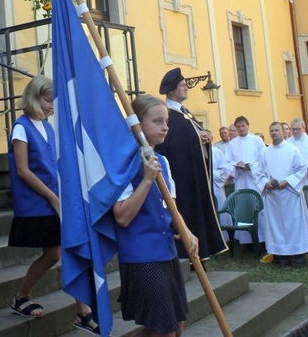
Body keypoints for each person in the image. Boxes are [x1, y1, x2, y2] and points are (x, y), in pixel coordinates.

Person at [5, 76, 98, 332]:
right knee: (56, 252)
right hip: (38, 201)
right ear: (35, 97)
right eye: (48, 100)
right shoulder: (22, 127)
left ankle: (83, 310)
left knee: (66, 249)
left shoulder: (48, 127)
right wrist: (52, 197)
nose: (51, 105)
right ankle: (22, 296)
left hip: (55, 198)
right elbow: (23, 170)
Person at [114, 94, 198, 337]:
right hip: (141, 256)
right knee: (166, 330)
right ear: (138, 125)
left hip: (166, 251)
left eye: (166, 121)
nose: (165, 127)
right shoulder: (124, 164)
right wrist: (147, 179)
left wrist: (187, 231)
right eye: (158, 121)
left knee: (177, 324)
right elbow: (122, 216)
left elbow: (170, 207)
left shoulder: (162, 161)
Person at [154, 68, 226, 261]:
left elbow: (191, 138)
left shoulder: (184, 113)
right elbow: (170, 145)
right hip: (181, 179)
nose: (186, 88)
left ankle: (201, 253)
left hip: (194, 177)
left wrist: (204, 138)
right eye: (182, 85)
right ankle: (188, 255)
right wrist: (196, 138)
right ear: (171, 91)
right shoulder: (169, 115)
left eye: (186, 85)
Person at [260, 122, 308, 268]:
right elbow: (258, 173)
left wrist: (288, 181)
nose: (274, 133)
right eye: (271, 131)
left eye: (276, 130)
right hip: (273, 197)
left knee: (294, 224)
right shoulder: (265, 152)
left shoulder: (292, 149)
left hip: (290, 194)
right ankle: (283, 256)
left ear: (283, 132)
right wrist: (266, 183)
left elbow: (302, 169)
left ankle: (299, 255)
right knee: (277, 226)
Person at [222, 116, 267, 245]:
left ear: (248, 125)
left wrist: (251, 166)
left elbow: (263, 160)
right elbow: (227, 162)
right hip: (241, 181)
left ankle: (262, 239)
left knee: (258, 208)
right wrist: (236, 164)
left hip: (255, 181)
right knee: (244, 208)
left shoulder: (257, 140)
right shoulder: (233, 143)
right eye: (238, 127)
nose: (241, 129)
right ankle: (247, 241)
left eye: (243, 126)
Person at [287, 118, 308, 188]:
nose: (295, 131)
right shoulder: (287, 143)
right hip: (294, 181)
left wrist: (305, 167)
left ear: (304, 128)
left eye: (297, 129)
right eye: (293, 129)